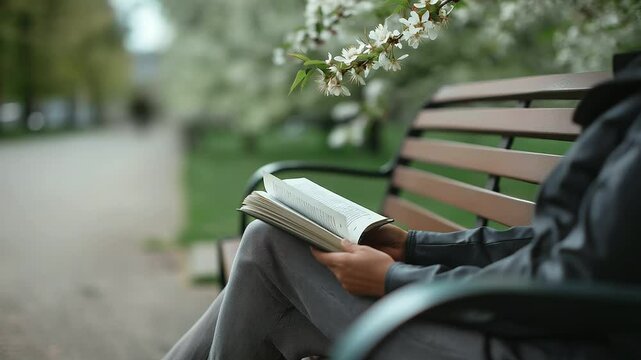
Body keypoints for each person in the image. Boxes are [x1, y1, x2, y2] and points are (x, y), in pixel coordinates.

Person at [164, 53, 641, 360]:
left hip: (536, 341)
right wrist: (409, 245)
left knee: (267, 250)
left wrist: (393, 279)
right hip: (518, 323)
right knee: (272, 304)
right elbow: (557, 243)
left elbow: (572, 279)